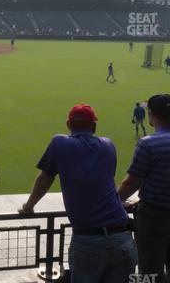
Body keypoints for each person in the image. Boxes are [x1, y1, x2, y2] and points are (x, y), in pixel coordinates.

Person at [19, 104, 137, 282]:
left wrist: (28, 207)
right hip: (122, 238)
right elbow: (104, 182)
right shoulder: (108, 145)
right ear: (94, 126)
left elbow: (45, 179)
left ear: (68, 124)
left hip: (89, 240)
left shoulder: (60, 142)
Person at [118, 94, 170, 282]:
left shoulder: (149, 143)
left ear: (151, 114)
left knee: (150, 270)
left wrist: (112, 201)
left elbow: (131, 183)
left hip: (155, 217)